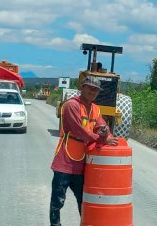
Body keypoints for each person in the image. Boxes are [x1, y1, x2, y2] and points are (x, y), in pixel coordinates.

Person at [49, 76, 118, 226]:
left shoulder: (95, 109)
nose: (93, 91)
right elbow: (79, 131)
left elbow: (101, 126)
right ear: (82, 87)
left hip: (81, 165)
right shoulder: (71, 105)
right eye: (90, 88)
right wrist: (100, 139)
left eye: (96, 90)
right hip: (64, 162)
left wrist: (107, 134)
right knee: (57, 201)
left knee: (84, 200)